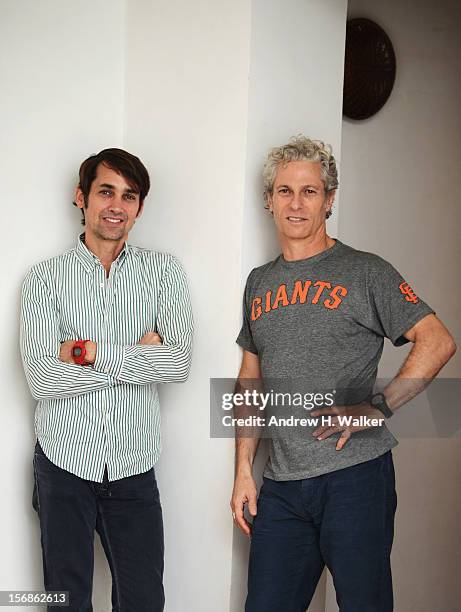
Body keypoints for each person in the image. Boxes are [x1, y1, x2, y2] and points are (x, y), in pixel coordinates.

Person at [230, 136, 456, 612]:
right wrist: (243, 473)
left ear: (329, 200)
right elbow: (249, 380)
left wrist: (377, 407)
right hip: (283, 484)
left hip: (354, 479)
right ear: (268, 199)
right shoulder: (259, 282)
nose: (296, 203)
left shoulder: (365, 271)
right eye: (285, 191)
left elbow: (438, 340)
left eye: (309, 191)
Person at [20, 148, 193, 612]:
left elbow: (177, 365)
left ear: (139, 207)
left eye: (129, 195)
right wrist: (139, 357)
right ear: (81, 197)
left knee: (143, 601)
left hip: (134, 469)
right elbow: (41, 377)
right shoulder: (43, 280)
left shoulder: (164, 273)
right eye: (106, 191)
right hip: (62, 466)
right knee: (65, 600)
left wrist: (86, 353)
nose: (117, 205)